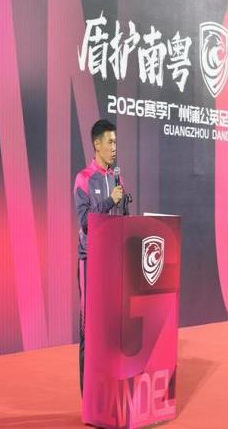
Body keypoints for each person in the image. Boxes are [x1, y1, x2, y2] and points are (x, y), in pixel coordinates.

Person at [73, 119, 124, 394]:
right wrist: (109, 201)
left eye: (115, 142)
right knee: (89, 329)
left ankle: (109, 389)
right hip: (90, 262)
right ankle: (89, 396)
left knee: (111, 328)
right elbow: (85, 221)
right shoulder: (84, 178)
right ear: (97, 144)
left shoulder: (117, 178)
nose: (114, 147)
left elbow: (122, 218)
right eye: (110, 142)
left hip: (113, 263)